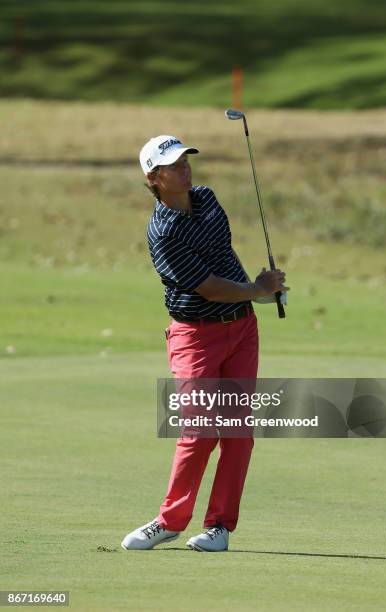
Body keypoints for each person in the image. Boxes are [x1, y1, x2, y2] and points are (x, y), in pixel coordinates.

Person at [121, 135, 288, 552]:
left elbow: (221, 255)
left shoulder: (208, 199)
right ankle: (170, 521)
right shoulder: (162, 232)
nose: (184, 168)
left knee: (237, 432)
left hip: (242, 329)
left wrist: (259, 292)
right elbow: (210, 287)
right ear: (153, 178)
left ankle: (219, 527)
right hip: (195, 336)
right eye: (173, 165)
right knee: (198, 431)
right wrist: (257, 288)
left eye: (185, 160)